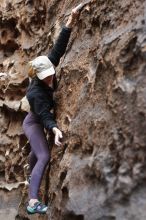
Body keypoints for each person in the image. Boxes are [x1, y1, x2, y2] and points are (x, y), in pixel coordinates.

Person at [22, 6, 80, 215]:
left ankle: (31, 176)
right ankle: (33, 202)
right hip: (33, 122)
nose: (50, 78)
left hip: (39, 120)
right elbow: (45, 115)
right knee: (44, 155)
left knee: (36, 155)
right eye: (46, 76)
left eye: (51, 73)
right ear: (37, 76)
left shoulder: (47, 67)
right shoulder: (35, 93)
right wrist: (55, 129)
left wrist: (71, 21)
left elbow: (58, 48)